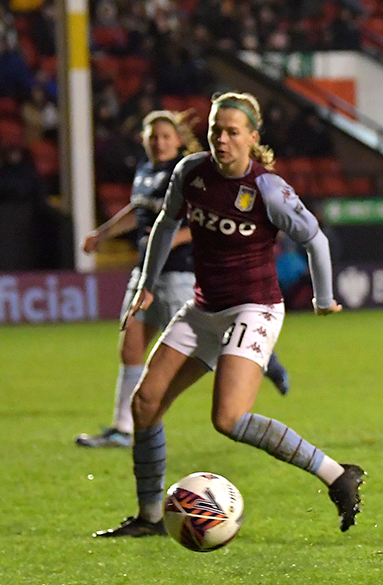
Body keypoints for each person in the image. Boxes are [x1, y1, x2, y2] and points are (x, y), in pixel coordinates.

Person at [94, 92, 363, 538]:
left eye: (232, 132)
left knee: (229, 419)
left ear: (252, 138)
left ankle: (337, 474)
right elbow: (164, 223)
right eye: (216, 130)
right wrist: (146, 283)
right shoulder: (190, 171)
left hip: (254, 308)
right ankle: (149, 517)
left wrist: (322, 297)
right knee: (145, 404)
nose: (221, 139)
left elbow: (316, 240)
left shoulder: (268, 189)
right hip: (204, 307)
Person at [76, 110, 292, 450]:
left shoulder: (194, 173)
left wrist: (174, 237)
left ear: (178, 140)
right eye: (153, 136)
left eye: (165, 136)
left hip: (182, 272)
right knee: (131, 347)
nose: (159, 143)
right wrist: (102, 235)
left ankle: (268, 360)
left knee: (211, 342)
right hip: (147, 272)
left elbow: (211, 219)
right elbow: (139, 211)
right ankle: (122, 428)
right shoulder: (145, 172)